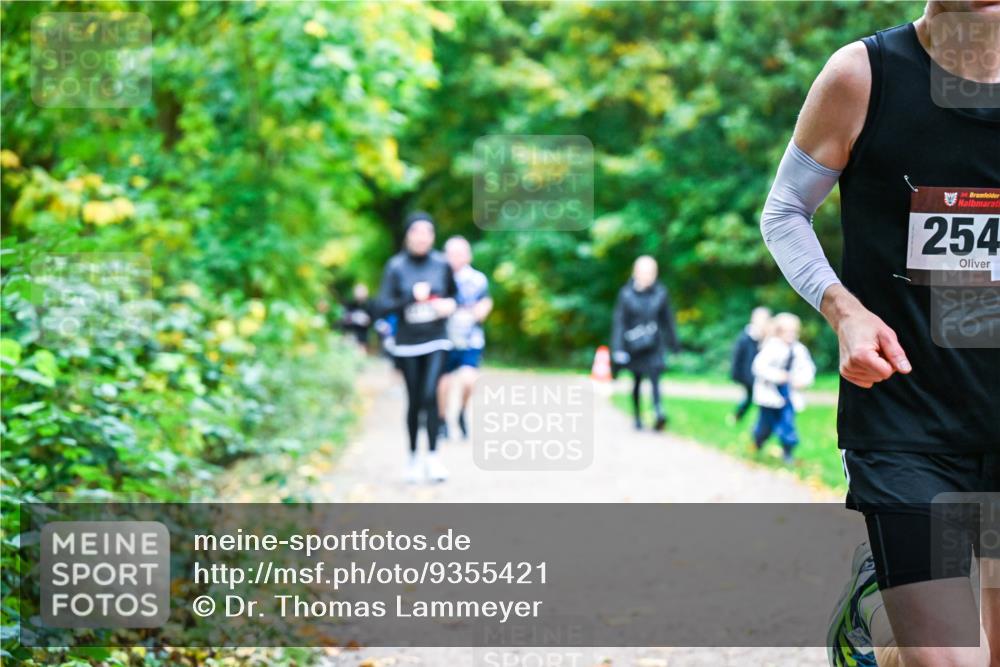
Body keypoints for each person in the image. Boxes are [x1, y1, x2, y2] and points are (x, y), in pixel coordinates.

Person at [759, 3, 999, 665]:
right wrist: (844, 310)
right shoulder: (864, 75)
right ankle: (888, 610)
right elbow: (784, 213)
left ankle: (879, 634)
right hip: (906, 418)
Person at [375, 212, 456, 484]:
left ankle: (433, 457)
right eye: (416, 232)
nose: (422, 237)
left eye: (427, 232)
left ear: (433, 236)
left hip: (436, 338)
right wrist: (411, 297)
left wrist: (448, 305)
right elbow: (383, 305)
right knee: (414, 400)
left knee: (430, 394)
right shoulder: (396, 266)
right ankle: (412, 457)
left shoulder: (442, 264)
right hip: (408, 343)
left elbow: (453, 297)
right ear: (408, 235)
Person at [611, 256, 679, 431]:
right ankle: (637, 416)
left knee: (656, 378)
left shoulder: (660, 293)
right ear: (636, 272)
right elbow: (620, 322)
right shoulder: (626, 294)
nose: (649, 275)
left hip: (654, 345)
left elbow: (667, 320)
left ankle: (658, 412)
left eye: (652, 272)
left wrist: (674, 344)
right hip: (634, 346)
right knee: (637, 380)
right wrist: (618, 349)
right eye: (646, 272)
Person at [437, 236, 492, 441]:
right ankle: (442, 420)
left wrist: (482, 310)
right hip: (444, 338)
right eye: (451, 254)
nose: (455, 258)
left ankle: (461, 412)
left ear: (468, 256)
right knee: (442, 382)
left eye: (459, 253)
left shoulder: (477, 279)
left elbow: (485, 301)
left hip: (470, 339)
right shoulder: (439, 277)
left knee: (469, 381)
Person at [750, 312, 816, 465]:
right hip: (769, 397)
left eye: (794, 331)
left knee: (787, 424)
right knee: (764, 426)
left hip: (788, 396)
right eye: (787, 331)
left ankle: (788, 452)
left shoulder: (799, 350)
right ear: (778, 332)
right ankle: (758, 441)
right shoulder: (771, 348)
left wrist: (803, 380)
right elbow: (759, 367)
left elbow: (808, 369)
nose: (791, 335)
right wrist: (778, 375)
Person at [729, 306, 771, 423]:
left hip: (758, 374)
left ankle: (740, 417)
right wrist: (737, 375)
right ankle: (738, 416)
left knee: (754, 397)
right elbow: (738, 358)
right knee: (752, 397)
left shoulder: (766, 337)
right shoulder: (746, 337)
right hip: (748, 375)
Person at [340, 283, 372, 350]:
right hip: (349, 335)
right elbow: (343, 319)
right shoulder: (350, 304)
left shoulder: (370, 305)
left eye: (361, 291)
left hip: (362, 338)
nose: (359, 294)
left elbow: (372, 320)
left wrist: (366, 320)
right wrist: (353, 317)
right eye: (358, 291)